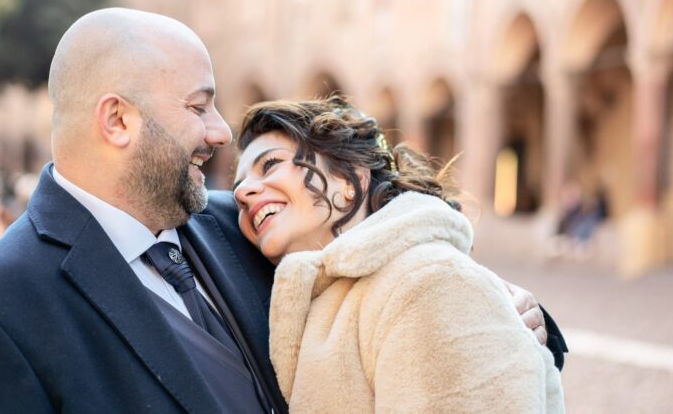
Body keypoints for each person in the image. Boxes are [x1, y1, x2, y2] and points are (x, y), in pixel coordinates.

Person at [0, 8, 565, 413]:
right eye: (199, 106)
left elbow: (393, 267)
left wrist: (515, 313)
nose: (221, 132)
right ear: (117, 120)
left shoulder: (243, 226)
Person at [233, 97, 565, 413]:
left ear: (350, 176)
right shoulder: (338, 299)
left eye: (270, 164)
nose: (241, 193)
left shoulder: (431, 283)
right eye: (238, 185)